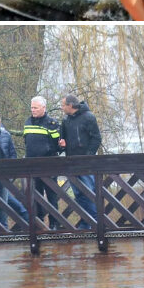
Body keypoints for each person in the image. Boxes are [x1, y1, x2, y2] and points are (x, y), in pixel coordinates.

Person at [59, 95, 102, 229]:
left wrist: (88, 156)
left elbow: (96, 138)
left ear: (70, 106)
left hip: (86, 164)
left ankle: (95, 223)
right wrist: (62, 145)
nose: (62, 107)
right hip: (71, 163)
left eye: (63, 105)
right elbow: (62, 141)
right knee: (78, 194)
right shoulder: (65, 120)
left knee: (89, 192)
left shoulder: (88, 117)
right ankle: (86, 222)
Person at [23, 96, 62, 229]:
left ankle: (54, 223)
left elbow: (58, 145)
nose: (32, 110)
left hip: (49, 165)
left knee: (51, 195)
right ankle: (39, 223)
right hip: (32, 166)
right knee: (36, 195)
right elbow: (27, 142)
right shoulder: (28, 122)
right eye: (32, 107)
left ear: (43, 108)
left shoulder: (52, 123)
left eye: (35, 108)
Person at [0, 109, 29, 230]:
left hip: (4, 176)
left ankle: (3, 230)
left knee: (3, 205)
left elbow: (12, 155)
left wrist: (11, 173)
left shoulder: (5, 135)